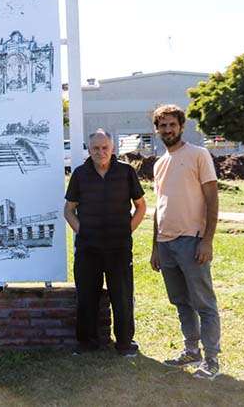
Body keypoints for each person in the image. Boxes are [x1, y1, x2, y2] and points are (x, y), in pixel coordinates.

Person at [149, 104, 221, 380]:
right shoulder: (159, 164)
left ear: (181, 126)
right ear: (157, 130)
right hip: (166, 244)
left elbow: (212, 199)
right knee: (181, 301)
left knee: (204, 303)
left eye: (172, 125)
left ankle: (212, 359)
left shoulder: (198, 155)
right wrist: (155, 247)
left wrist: (207, 240)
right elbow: (159, 206)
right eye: (163, 125)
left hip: (192, 240)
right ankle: (191, 350)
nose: (168, 129)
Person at [65, 129, 146, 356]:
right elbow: (68, 210)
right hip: (88, 249)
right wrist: (83, 231)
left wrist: (126, 230)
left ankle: (124, 343)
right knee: (86, 296)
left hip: (119, 248)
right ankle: (87, 343)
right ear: (89, 150)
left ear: (112, 149)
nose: (100, 152)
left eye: (105, 148)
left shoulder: (126, 172)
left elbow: (141, 206)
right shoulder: (80, 174)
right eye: (95, 148)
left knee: (122, 296)